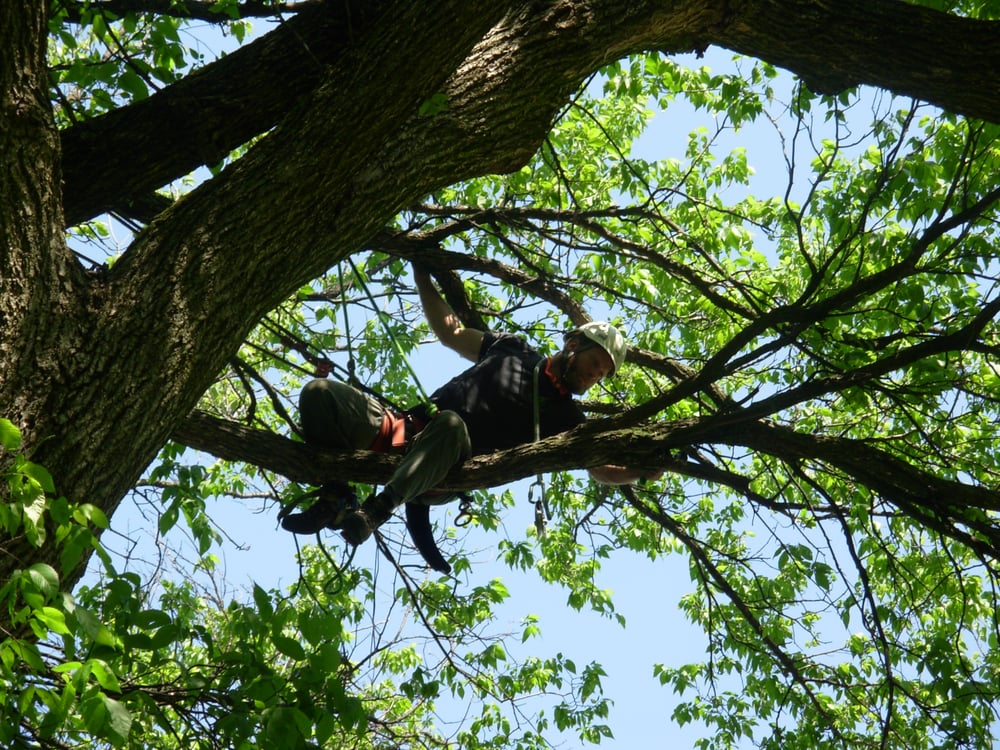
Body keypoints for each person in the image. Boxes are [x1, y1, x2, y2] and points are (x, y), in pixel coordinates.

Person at [281, 263, 656, 569]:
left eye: (603, 374)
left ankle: (377, 510)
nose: (595, 376)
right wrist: (422, 275)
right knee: (319, 393)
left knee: (450, 424)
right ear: (573, 345)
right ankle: (336, 497)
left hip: (446, 468)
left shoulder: (567, 419)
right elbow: (452, 333)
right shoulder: (512, 350)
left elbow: (600, 468)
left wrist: (641, 471)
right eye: (595, 362)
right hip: (401, 432)